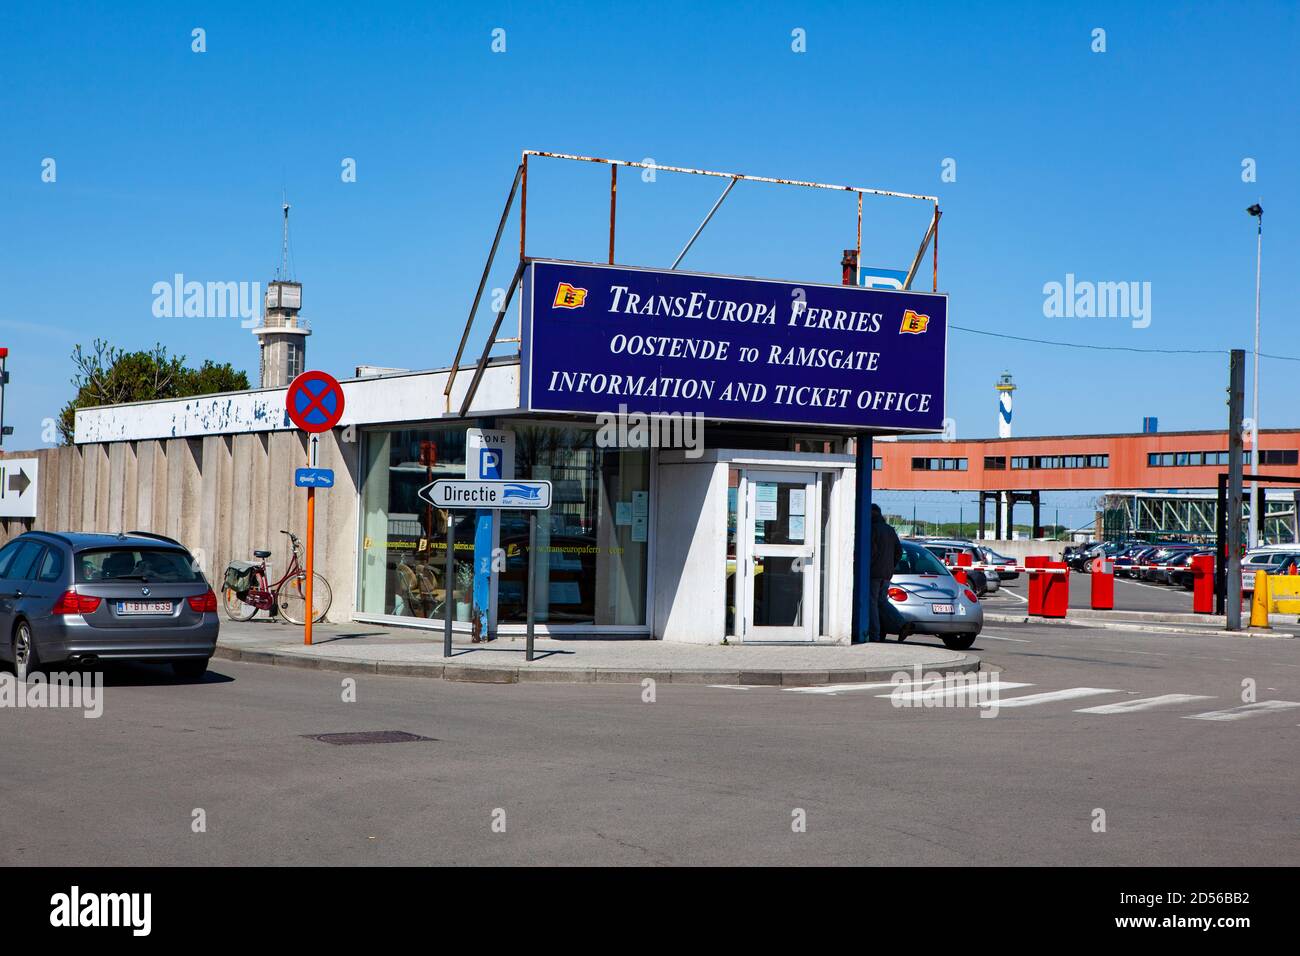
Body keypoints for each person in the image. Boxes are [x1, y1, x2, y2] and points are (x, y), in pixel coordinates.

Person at [867, 503, 903, 643]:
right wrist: (891, 566)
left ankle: (874, 635)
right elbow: (899, 552)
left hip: (873, 573)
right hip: (887, 573)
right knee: (881, 601)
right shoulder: (890, 530)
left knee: (872, 604)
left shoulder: (872, 529)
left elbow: (871, 551)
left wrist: (869, 566)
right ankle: (901, 623)